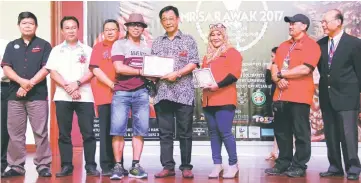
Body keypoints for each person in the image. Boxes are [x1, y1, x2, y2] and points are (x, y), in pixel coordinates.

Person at [264, 14, 321, 177]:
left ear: (304, 26)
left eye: (293, 23)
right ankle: (283, 163)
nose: (290, 26)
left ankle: (299, 165)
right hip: (280, 96)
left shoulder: (311, 45)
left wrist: (282, 74)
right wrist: (277, 78)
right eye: (289, 24)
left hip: (299, 96)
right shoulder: (283, 46)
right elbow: (274, 66)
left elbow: (306, 69)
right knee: (282, 132)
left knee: (301, 132)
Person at [45, 16, 99, 177]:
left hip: (85, 96)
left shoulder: (88, 50)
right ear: (62, 30)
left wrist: (77, 83)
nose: (70, 30)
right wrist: (68, 88)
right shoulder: (56, 50)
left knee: (88, 132)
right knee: (64, 133)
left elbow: (92, 71)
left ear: (78, 29)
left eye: (73, 27)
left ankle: (90, 165)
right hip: (62, 96)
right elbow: (52, 72)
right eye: (67, 28)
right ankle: (66, 165)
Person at [1, 12, 52, 177]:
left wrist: (28, 85)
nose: (27, 26)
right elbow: (6, 67)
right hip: (14, 96)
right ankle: (16, 166)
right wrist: (21, 81)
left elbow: (46, 69)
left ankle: (43, 165)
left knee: (40, 132)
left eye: (31, 23)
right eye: (24, 23)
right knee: (15, 133)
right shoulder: (11, 45)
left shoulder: (44, 45)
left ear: (36, 26)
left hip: (37, 95)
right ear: (19, 26)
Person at [151, 5, 200, 179]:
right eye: (164, 19)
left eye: (171, 18)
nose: (168, 22)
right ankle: (167, 166)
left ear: (178, 19)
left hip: (184, 93)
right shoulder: (156, 42)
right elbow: (152, 66)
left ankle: (186, 166)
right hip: (162, 93)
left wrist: (177, 73)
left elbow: (194, 62)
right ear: (161, 22)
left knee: (185, 132)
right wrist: (151, 74)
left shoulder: (188, 40)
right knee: (165, 133)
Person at [317, 9, 361, 180]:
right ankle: (335, 166)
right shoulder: (320, 44)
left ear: (338, 22)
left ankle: (353, 168)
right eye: (322, 22)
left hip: (347, 97)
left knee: (349, 134)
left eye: (325, 21)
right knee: (331, 134)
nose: (323, 25)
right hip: (327, 97)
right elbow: (322, 71)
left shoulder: (354, 43)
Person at [109, 13, 150, 180]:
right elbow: (119, 68)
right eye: (132, 25)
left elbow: (153, 70)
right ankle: (118, 166)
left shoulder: (147, 48)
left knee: (139, 131)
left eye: (139, 25)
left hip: (142, 92)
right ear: (127, 27)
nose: (136, 28)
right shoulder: (119, 44)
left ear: (143, 29)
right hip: (122, 92)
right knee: (118, 130)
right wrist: (141, 71)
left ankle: (135, 166)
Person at [201, 23, 242, 179]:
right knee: (213, 134)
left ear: (224, 36)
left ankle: (233, 164)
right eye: (213, 35)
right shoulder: (207, 57)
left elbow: (234, 75)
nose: (216, 37)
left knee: (225, 133)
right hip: (208, 100)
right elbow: (204, 76)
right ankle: (217, 164)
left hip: (224, 99)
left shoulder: (232, 53)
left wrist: (217, 85)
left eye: (219, 34)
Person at [89, 19, 127, 176]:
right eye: (107, 29)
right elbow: (95, 70)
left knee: (119, 132)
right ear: (103, 32)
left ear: (119, 31)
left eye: (113, 29)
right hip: (104, 95)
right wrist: (112, 85)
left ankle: (118, 164)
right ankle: (105, 165)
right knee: (105, 131)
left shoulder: (124, 46)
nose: (110, 32)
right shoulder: (99, 47)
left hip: (123, 95)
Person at [265, 47, 279, 161]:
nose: (271, 58)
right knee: (278, 126)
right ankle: (274, 151)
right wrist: (268, 70)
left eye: (272, 56)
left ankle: (295, 153)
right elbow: (268, 81)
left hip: (284, 99)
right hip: (275, 99)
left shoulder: (284, 67)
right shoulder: (273, 66)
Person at [0, 39, 9, 174]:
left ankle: (2, 163)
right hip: (5, 86)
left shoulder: (7, 44)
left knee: (5, 128)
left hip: (6, 87)